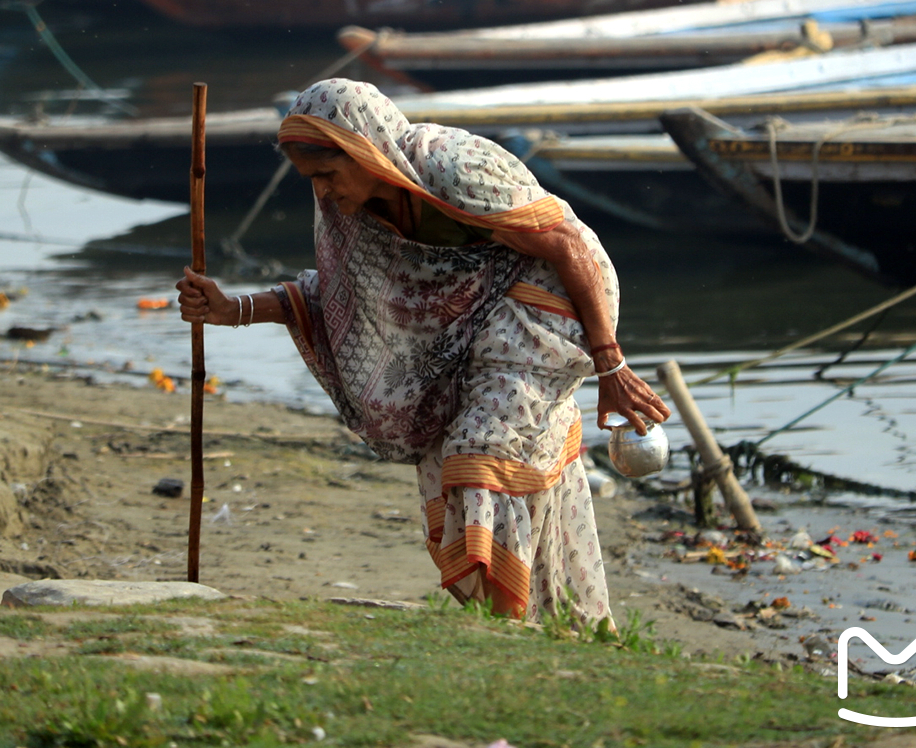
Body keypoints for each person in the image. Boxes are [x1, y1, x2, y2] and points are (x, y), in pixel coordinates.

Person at [176, 79, 670, 624]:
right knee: (451, 459)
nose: (320, 193)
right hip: (471, 322)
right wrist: (231, 310)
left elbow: (567, 245)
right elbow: (338, 298)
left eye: (326, 175)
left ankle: (504, 625)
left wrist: (611, 364)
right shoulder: (352, 211)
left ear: (366, 150)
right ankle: (553, 621)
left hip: (553, 298)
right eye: (309, 180)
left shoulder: (453, 167)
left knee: (480, 453)